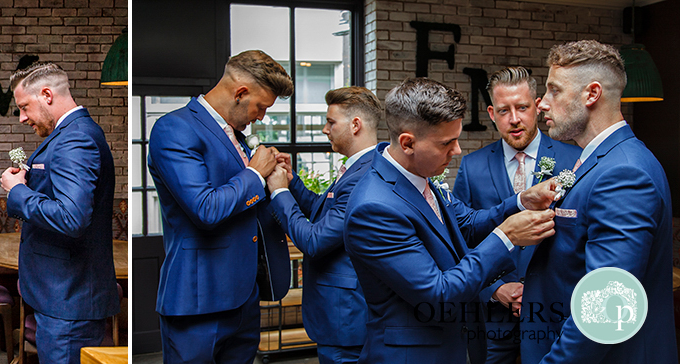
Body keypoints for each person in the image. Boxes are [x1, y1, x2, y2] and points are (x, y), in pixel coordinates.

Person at [343, 77, 560, 364]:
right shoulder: (374, 208)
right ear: (408, 143)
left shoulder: (419, 176)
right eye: (447, 142)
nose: (457, 150)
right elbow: (438, 293)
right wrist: (505, 238)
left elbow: (467, 223)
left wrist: (521, 201)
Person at [519, 40, 677, 364]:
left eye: (554, 91)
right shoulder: (595, 160)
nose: (542, 104)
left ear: (591, 94)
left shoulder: (624, 174)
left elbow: (605, 309)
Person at [147, 50, 294, 363]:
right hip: (198, 301)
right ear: (240, 93)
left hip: (243, 298)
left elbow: (248, 206)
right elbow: (205, 209)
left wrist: (278, 180)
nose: (262, 117)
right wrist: (254, 173)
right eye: (261, 106)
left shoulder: (235, 136)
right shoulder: (174, 129)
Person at [452, 66, 581, 364]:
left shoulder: (572, 160)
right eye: (503, 110)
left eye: (522, 107)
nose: (514, 119)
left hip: (555, 316)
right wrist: (495, 290)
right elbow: (460, 240)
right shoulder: (472, 167)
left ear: (536, 106)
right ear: (491, 113)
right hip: (495, 323)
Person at [0, 62, 119, 364]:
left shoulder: (75, 139)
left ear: (47, 95)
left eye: (24, 107)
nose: (23, 117)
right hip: (63, 296)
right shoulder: (70, 134)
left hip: (70, 298)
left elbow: (71, 217)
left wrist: (18, 191)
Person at [265, 86, 383, 364]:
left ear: (355, 125)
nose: (324, 129)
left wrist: (279, 193)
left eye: (331, 122)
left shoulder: (363, 175)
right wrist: (292, 182)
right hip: (343, 314)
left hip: (346, 318)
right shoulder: (359, 167)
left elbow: (314, 241)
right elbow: (325, 209)